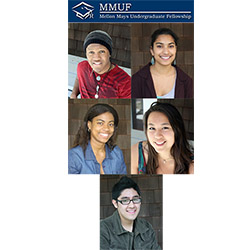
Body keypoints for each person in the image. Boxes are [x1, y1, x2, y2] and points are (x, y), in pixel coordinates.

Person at [131, 102, 194, 174]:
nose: (157, 135)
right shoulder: (137, 152)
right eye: (152, 128)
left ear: (177, 130)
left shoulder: (191, 165)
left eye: (165, 128)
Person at [100, 176, 161, 250]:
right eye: (125, 200)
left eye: (135, 199)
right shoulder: (103, 229)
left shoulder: (146, 227)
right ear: (115, 203)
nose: (132, 205)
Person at [132, 28, 193, 98]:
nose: (166, 52)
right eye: (159, 46)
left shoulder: (186, 81)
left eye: (170, 46)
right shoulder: (136, 80)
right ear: (152, 50)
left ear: (176, 49)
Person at [70, 30, 131, 99]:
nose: (96, 58)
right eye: (91, 52)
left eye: (102, 52)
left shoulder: (125, 82)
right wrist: (74, 93)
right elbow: (79, 78)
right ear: (86, 54)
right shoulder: (82, 67)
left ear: (109, 53)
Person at [68, 103, 127, 174]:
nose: (106, 128)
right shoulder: (74, 156)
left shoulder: (116, 153)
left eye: (110, 124)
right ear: (89, 125)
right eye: (100, 123)